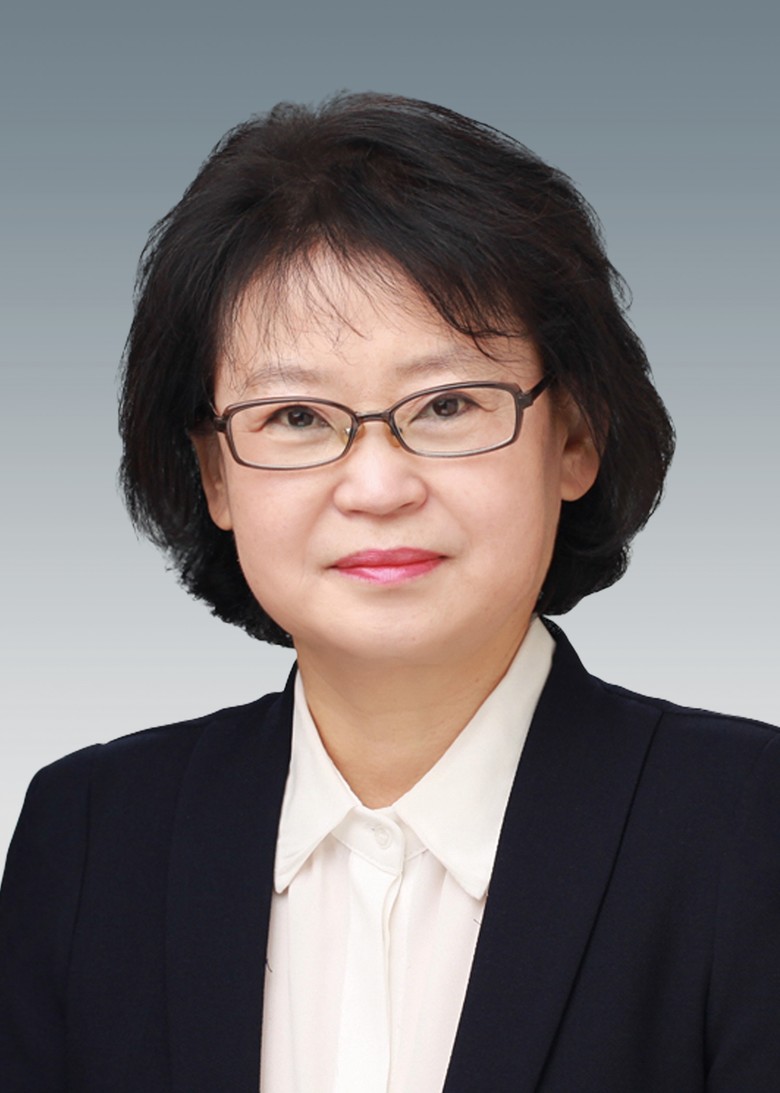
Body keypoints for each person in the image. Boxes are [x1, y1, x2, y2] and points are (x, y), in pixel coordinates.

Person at [1, 93, 778, 1093]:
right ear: (215, 475)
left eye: (447, 404)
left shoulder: (746, 828)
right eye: (295, 416)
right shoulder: (90, 836)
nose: (376, 486)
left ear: (576, 437)